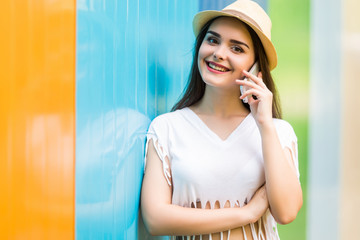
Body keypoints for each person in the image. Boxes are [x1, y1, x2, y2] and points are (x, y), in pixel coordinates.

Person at [141, 0, 303, 239]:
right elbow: (155, 219)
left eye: (237, 48)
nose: (218, 53)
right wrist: (246, 213)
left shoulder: (277, 132)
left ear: (257, 67)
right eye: (213, 40)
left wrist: (264, 124)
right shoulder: (166, 128)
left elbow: (287, 212)